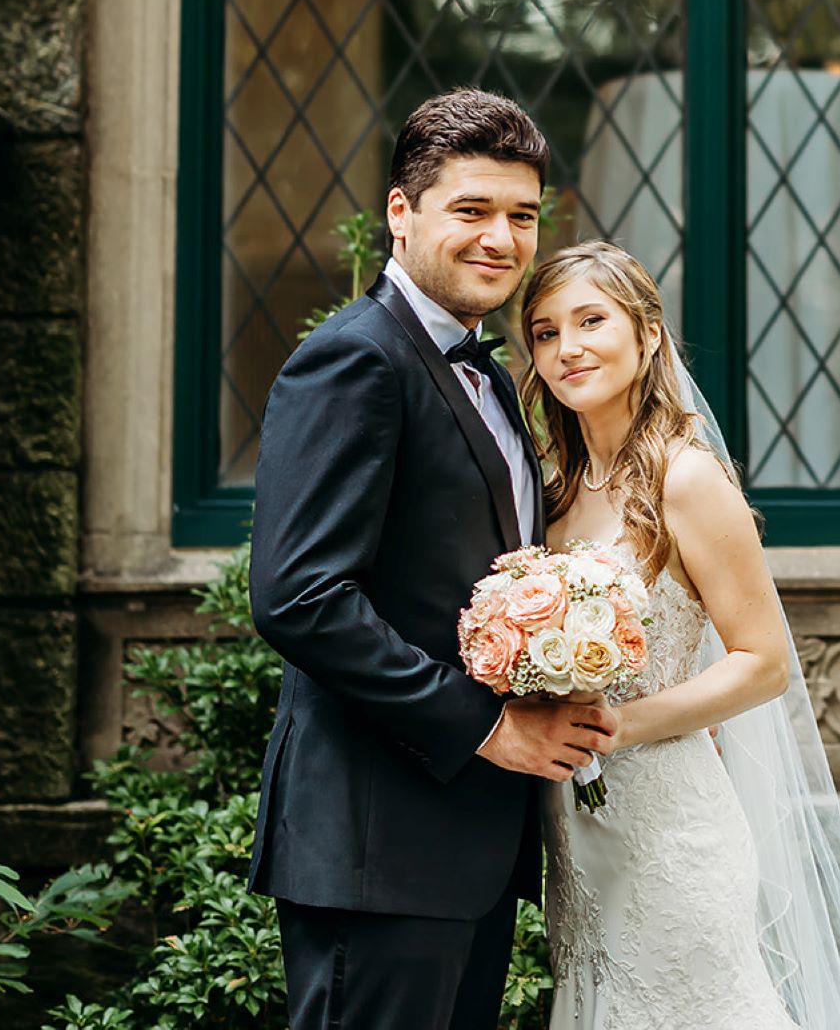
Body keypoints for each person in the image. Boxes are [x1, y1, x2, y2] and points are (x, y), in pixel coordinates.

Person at [247, 89, 619, 1029]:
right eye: (472, 210)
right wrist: (487, 728)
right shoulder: (355, 359)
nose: (501, 238)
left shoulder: (487, 369)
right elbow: (300, 596)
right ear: (401, 213)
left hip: (469, 845)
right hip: (379, 844)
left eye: (522, 216)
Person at [519, 241, 840, 1029]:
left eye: (590, 320)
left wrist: (620, 725)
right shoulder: (552, 490)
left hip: (673, 827)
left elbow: (764, 663)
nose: (567, 348)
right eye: (543, 331)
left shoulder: (686, 477)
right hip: (577, 829)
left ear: (648, 334)